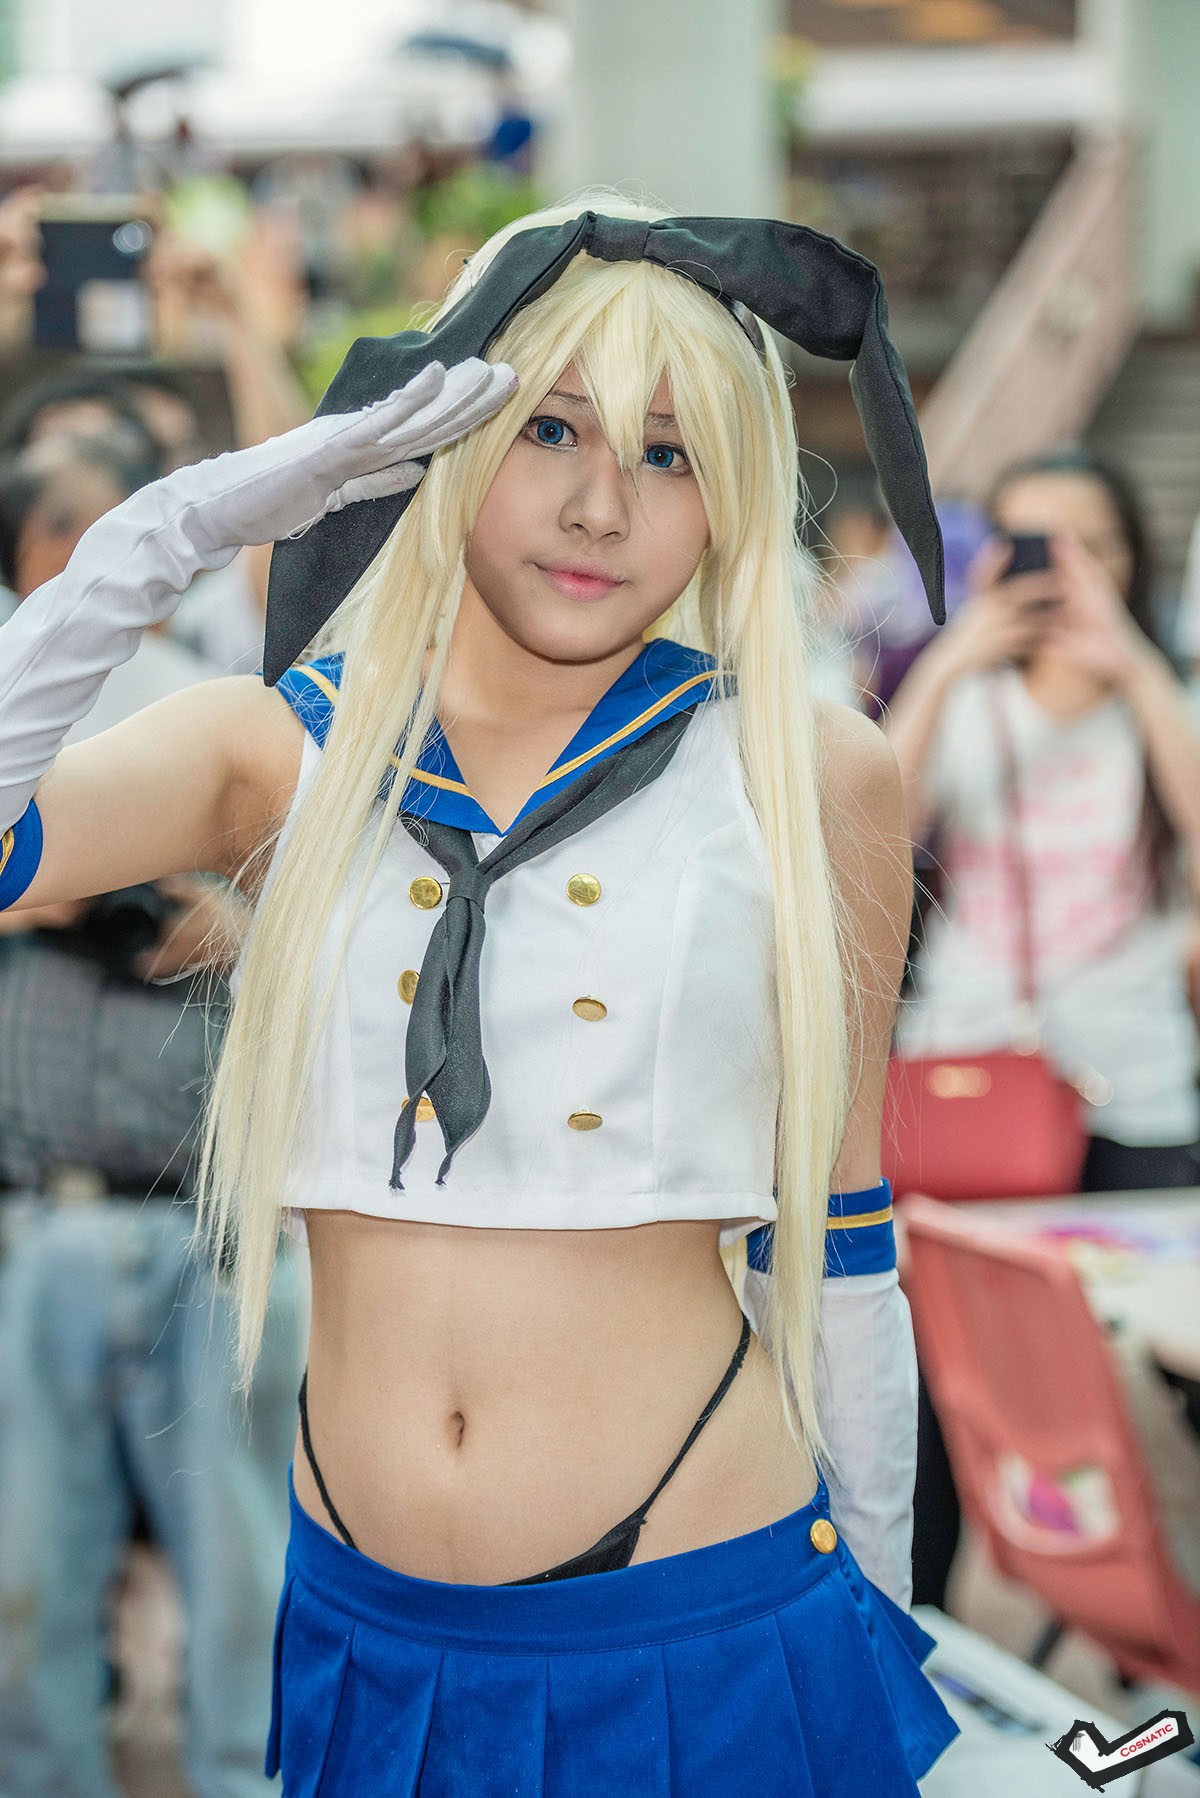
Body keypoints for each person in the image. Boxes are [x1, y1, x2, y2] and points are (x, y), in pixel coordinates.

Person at [0, 196, 958, 1792]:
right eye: (549, 429)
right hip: (365, 1633)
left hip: (704, 1604)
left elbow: (845, 1223)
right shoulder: (278, 752)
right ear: (440, 440)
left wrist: (883, 1610)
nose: (600, 506)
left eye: (670, 454)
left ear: (733, 497)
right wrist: (160, 536)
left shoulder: (811, 772)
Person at [887, 446, 1200, 1607]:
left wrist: (1137, 670)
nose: (1060, 572)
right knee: (938, 1383)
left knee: (1169, 1369)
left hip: (1136, 1085)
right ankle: (922, 1620)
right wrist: (953, 655)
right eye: (1031, 544)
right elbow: (873, 830)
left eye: (1089, 547)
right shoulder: (969, 697)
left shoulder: (1163, 699)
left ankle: (1141, 1605)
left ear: (1131, 561)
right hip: (973, 1087)